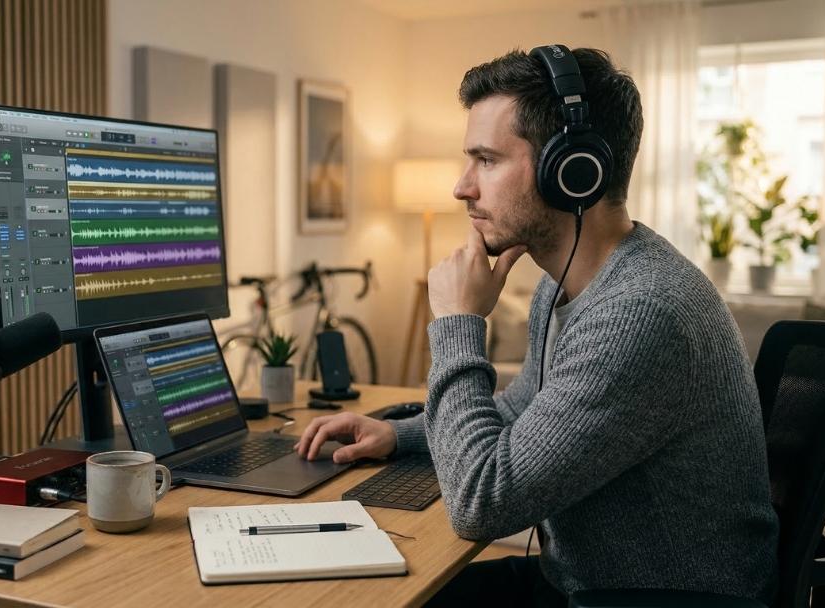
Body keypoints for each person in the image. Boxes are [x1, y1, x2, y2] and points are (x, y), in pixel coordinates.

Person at [295, 46, 778, 607]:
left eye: (487, 160)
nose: (462, 187)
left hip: (647, 598)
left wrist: (458, 322)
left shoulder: (640, 312)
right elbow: (523, 409)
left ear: (571, 172)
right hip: (584, 584)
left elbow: (480, 504)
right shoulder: (565, 284)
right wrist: (399, 435)